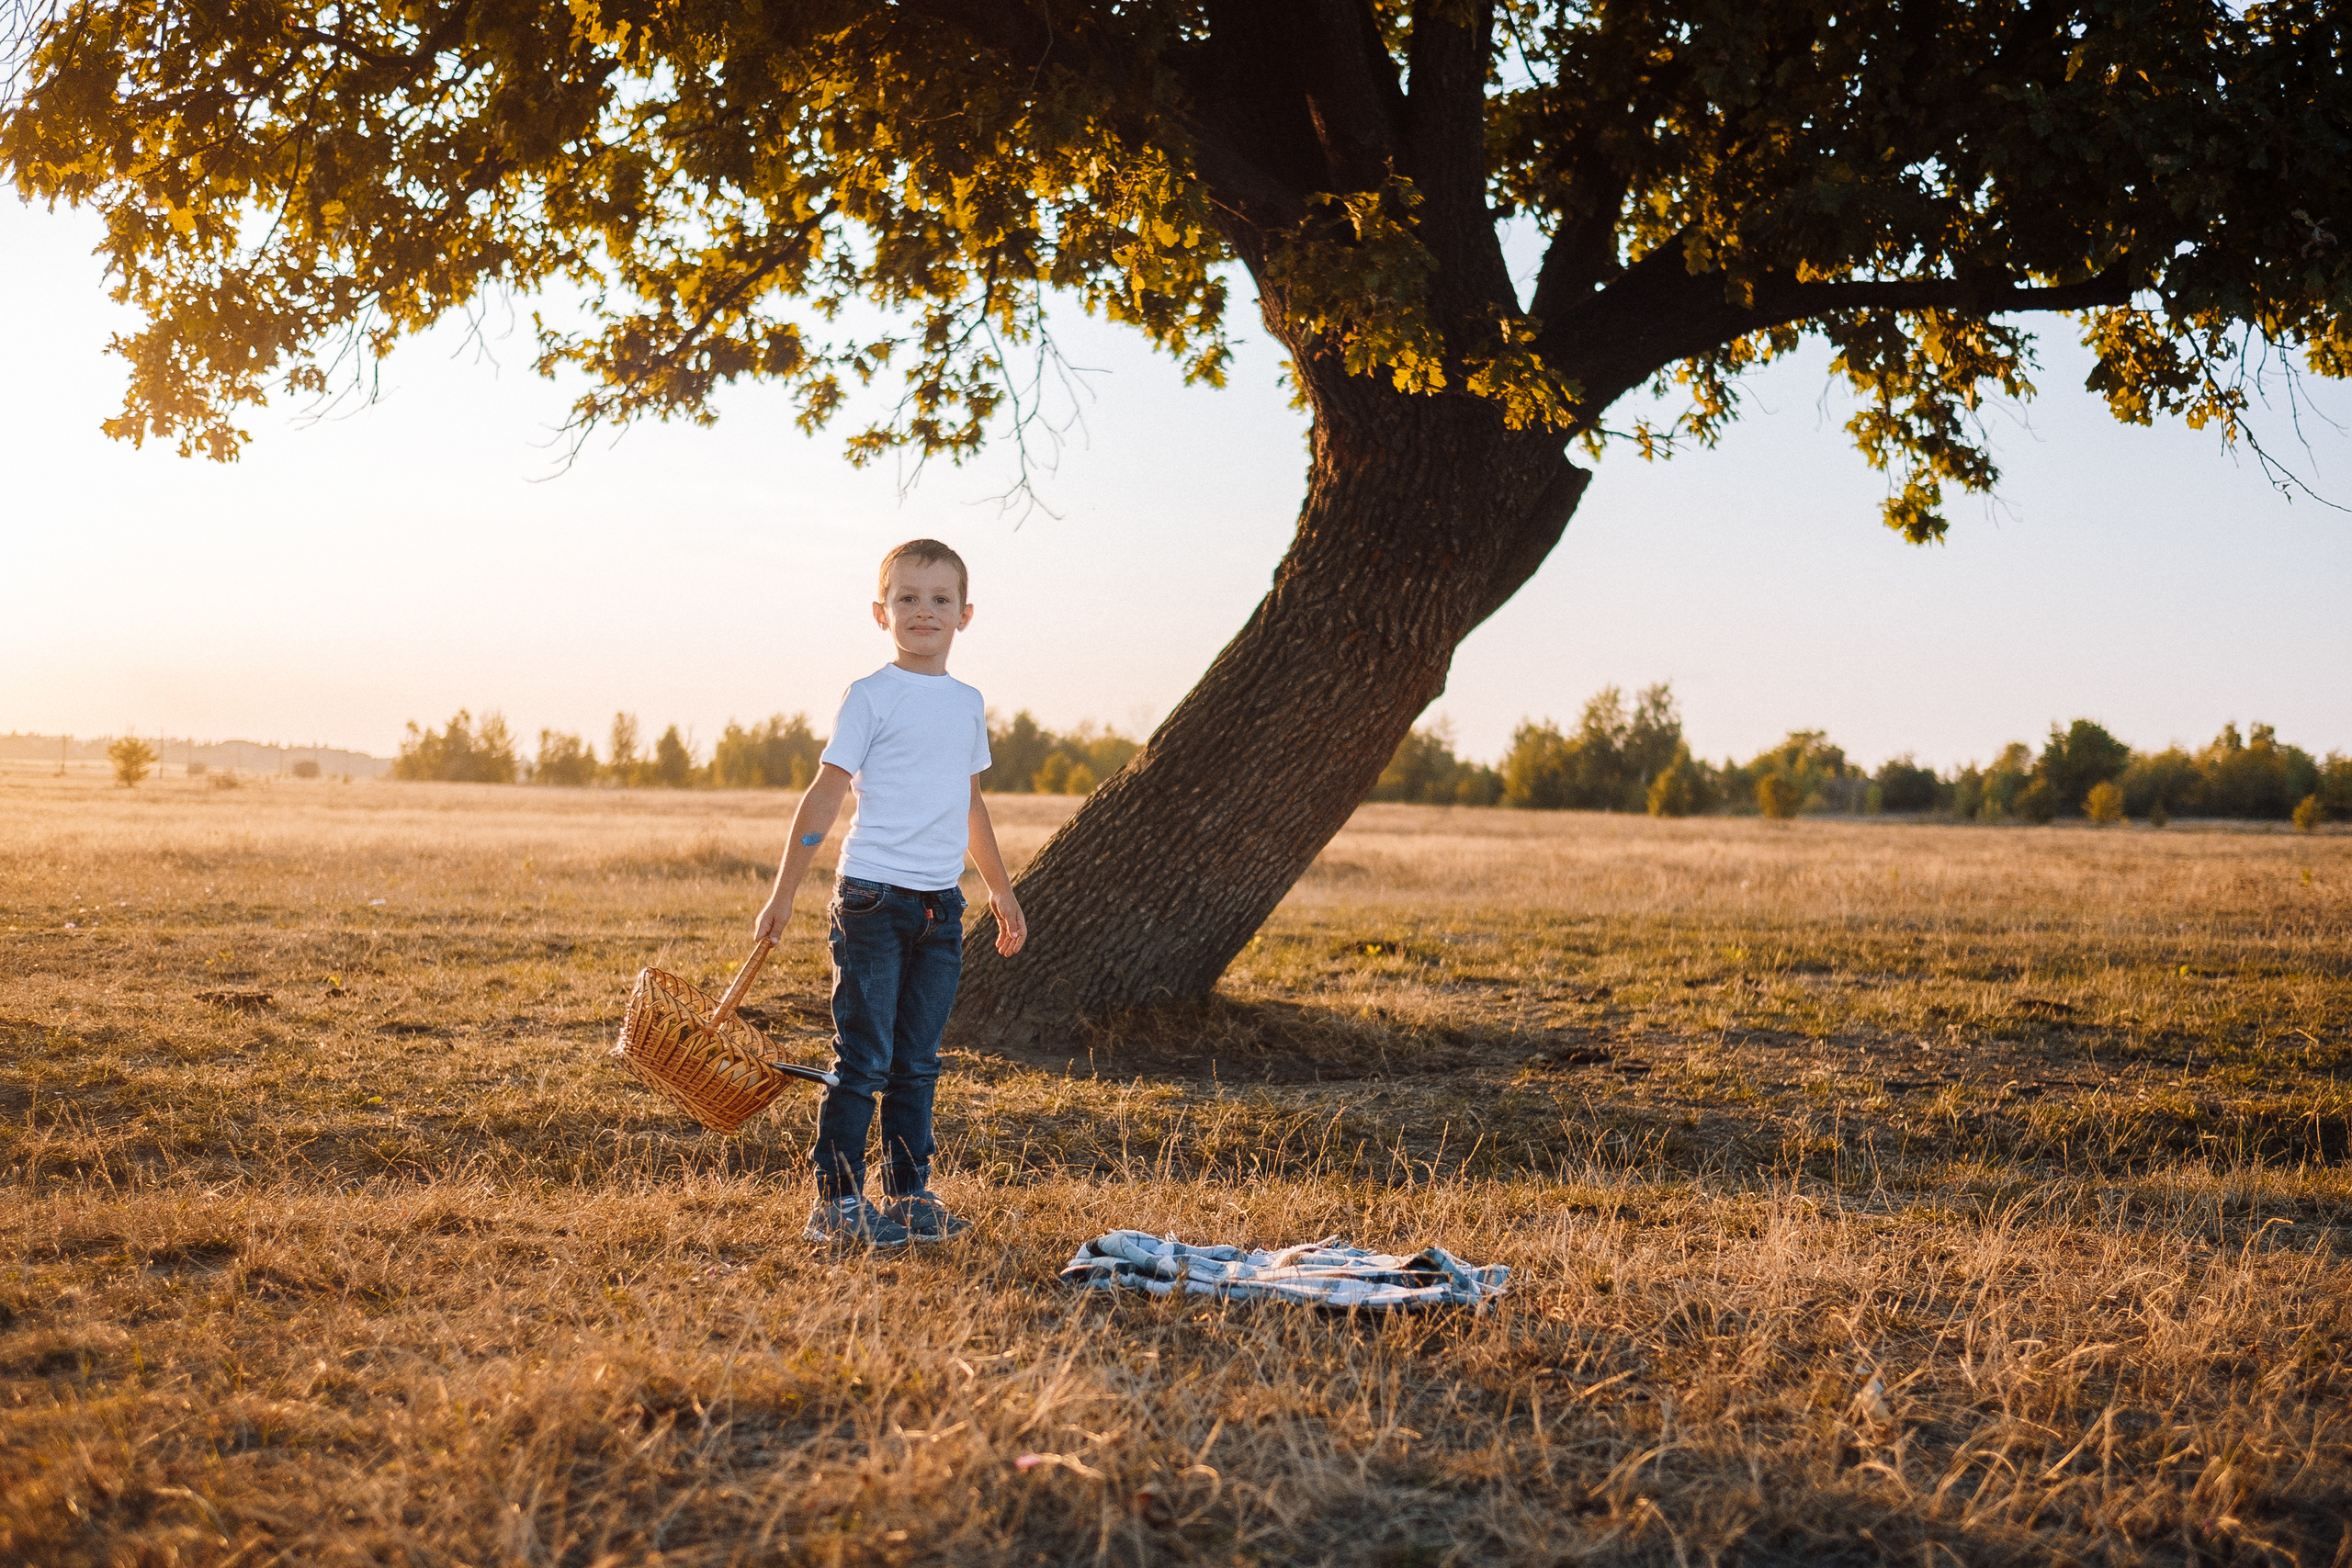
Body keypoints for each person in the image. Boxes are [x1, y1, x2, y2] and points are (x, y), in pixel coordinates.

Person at [753, 538, 1028, 1245]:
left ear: (965, 615)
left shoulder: (967, 704)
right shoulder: (870, 695)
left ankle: (908, 1195)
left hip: (941, 907)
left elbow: (971, 804)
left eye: (940, 600)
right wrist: (784, 891)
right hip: (872, 901)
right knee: (864, 1057)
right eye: (908, 598)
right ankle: (837, 1204)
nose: (923, 612)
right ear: (882, 612)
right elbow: (824, 796)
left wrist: (1001, 889)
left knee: (918, 1060)